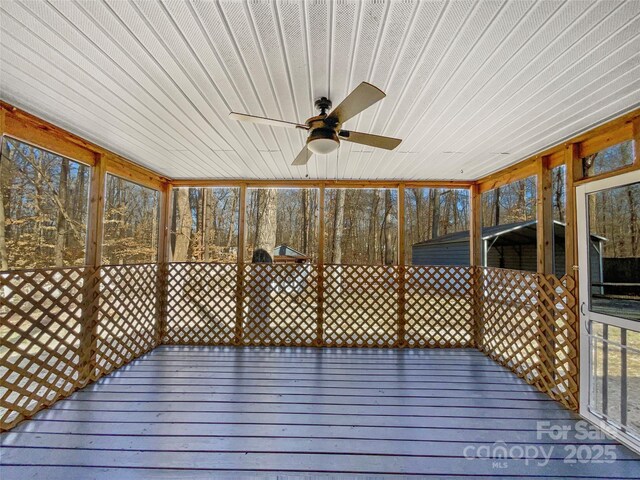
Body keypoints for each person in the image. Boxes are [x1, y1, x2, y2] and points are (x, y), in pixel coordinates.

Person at [246, 248, 273, 342]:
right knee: (263, 314)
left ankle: (253, 333)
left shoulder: (255, 269)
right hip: (264, 296)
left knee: (254, 314)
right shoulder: (269, 268)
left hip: (256, 297)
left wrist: (245, 290)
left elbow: (251, 283)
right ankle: (262, 333)